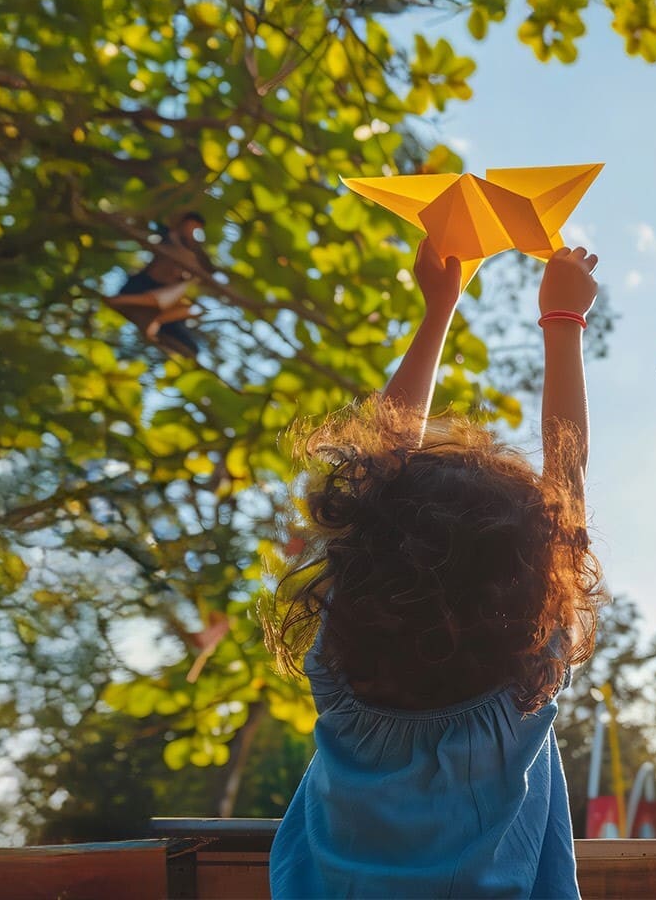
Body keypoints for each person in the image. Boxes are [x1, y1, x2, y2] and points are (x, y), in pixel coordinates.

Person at [265, 241, 605, 899]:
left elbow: (376, 465)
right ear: (533, 578)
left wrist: (437, 309)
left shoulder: (337, 672)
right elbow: (570, 476)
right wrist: (563, 323)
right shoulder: (522, 689)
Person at [108, 211, 213, 356]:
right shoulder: (168, 236)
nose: (192, 232)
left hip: (163, 307)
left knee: (192, 339)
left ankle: (157, 324)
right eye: (191, 227)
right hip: (142, 286)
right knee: (185, 300)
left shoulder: (194, 253)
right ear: (182, 224)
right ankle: (125, 302)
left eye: (196, 230)